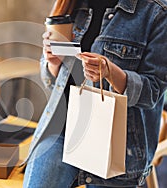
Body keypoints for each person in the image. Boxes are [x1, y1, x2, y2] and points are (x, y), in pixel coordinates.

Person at [23, 0, 167, 187]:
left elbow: (153, 92)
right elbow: (52, 82)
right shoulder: (71, 4)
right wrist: (52, 62)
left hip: (117, 145)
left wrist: (110, 73)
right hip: (61, 131)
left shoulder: (157, 12)